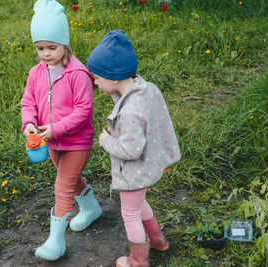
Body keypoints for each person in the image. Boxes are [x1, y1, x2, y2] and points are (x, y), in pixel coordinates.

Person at [87, 30, 181, 267]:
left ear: (115, 77)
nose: (95, 83)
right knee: (138, 204)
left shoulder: (130, 112)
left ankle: (138, 260)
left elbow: (130, 151)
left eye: (97, 78)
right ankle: (158, 240)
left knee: (129, 214)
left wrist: (106, 140)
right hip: (149, 164)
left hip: (134, 171)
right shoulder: (144, 88)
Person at [21, 0, 102, 261]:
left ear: (64, 43)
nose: (45, 54)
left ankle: (56, 241)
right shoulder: (36, 73)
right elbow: (28, 101)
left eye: (51, 47)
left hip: (77, 141)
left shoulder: (77, 73)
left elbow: (83, 110)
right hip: (50, 141)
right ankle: (90, 209)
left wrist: (56, 129)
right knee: (70, 179)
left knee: (63, 186)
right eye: (40, 48)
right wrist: (30, 123)